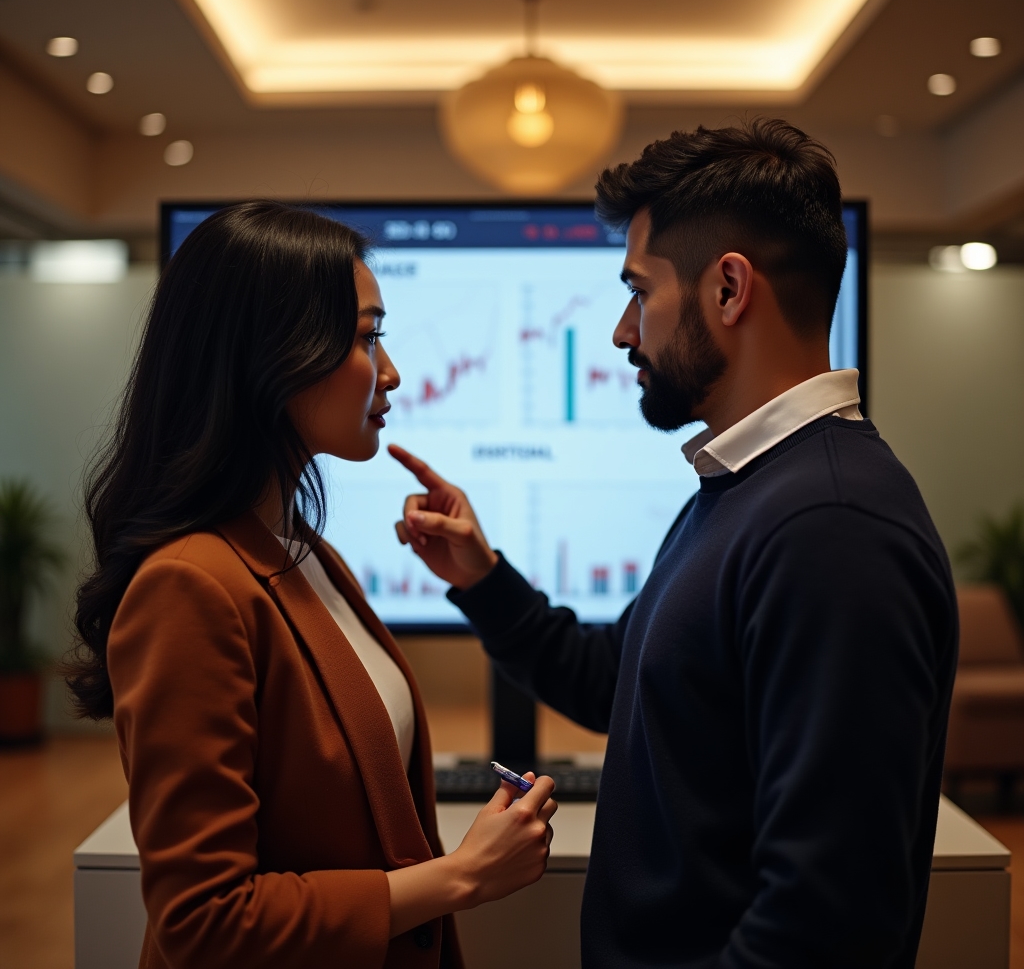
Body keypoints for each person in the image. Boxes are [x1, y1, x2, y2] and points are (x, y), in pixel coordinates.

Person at [391, 120, 958, 968]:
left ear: (729, 289)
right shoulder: (747, 490)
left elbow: (825, 927)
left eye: (639, 290)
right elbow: (622, 681)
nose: (623, 331)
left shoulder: (832, 530)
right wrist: (482, 577)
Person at [64, 201, 557, 969]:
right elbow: (205, 923)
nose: (391, 373)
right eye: (368, 338)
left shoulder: (302, 553)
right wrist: (458, 878)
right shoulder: (189, 586)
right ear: (274, 356)